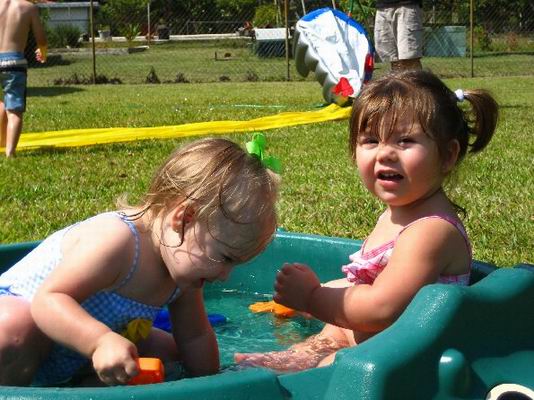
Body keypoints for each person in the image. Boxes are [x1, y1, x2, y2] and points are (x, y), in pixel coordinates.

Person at [235, 70, 499, 372]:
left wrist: (312, 297)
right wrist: (324, 290)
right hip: (361, 344)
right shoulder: (396, 213)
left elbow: (380, 308)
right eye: (371, 140)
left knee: (317, 376)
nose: (385, 153)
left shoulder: (431, 231)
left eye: (405, 140)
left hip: (400, 363)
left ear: (448, 155)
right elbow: (366, 283)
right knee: (274, 366)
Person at [0, 137, 279, 386]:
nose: (225, 275)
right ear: (184, 218)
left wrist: (211, 383)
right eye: (225, 257)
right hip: (25, 333)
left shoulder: (183, 271)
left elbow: (194, 336)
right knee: (14, 327)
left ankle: (85, 389)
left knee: (169, 354)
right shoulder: (117, 242)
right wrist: (99, 341)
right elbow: (48, 300)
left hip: (77, 353)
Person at [0, 0, 47, 157]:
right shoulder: (29, 8)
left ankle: (2, 142)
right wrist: (42, 51)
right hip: (14, 63)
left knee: (1, 104)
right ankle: (10, 153)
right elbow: (41, 39)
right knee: (14, 111)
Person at [374, 0, 424, 72]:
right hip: (382, 8)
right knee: (393, 60)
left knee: (409, 59)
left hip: (407, 6)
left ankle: (415, 79)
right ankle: (400, 79)